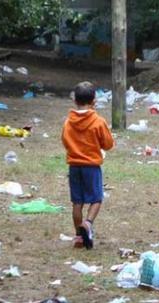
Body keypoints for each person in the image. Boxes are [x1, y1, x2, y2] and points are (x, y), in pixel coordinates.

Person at [61, 81, 114, 249]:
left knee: (77, 202)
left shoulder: (68, 122)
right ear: (94, 101)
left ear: (75, 100)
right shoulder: (98, 121)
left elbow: (65, 141)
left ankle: (78, 237)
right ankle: (88, 223)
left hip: (74, 166)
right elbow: (108, 144)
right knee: (96, 198)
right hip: (91, 166)